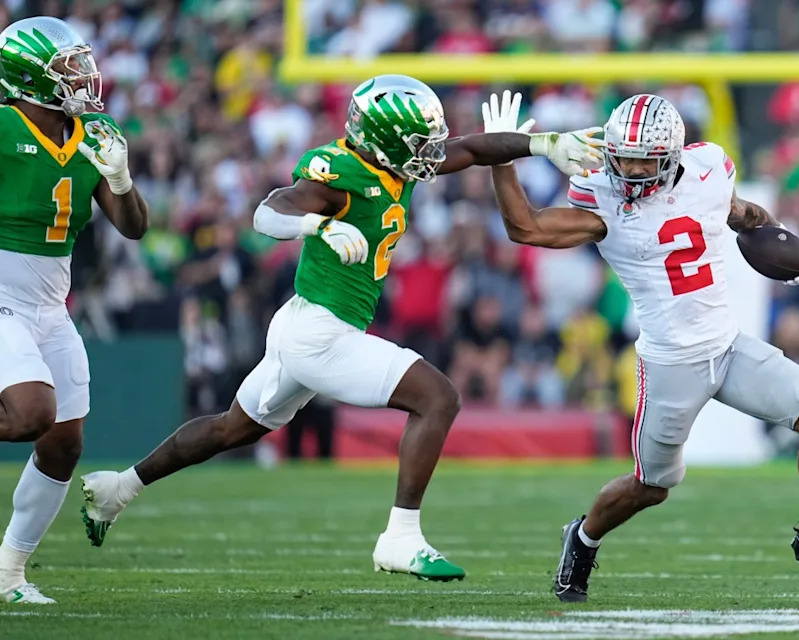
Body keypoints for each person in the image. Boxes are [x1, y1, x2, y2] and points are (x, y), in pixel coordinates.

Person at [79, 76, 597, 582]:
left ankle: (118, 489)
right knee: (438, 398)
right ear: (382, 140)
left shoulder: (396, 160)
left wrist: (544, 143)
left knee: (229, 429)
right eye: (417, 143)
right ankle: (400, 536)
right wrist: (319, 224)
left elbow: (469, 148)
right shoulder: (340, 172)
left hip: (306, 323)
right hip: (321, 335)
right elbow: (267, 212)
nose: (428, 154)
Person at [482, 90, 799, 603]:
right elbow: (527, 227)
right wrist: (502, 154)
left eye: (640, 159)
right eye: (620, 155)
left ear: (671, 156)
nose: (626, 168)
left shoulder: (708, 168)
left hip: (729, 347)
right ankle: (582, 538)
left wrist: (779, 241)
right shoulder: (602, 197)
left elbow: (740, 212)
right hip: (671, 363)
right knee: (650, 487)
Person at [0, 17, 149, 604]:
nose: (84, 76)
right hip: (1, 293)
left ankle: (9, 572)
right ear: (28, 78)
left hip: (48, 303)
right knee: (33, 410)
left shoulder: (96, 130)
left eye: (82, 62)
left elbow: (133, 228)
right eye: (68, 67)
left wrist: (121, 177)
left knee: (63, 442)